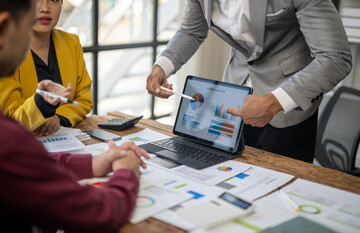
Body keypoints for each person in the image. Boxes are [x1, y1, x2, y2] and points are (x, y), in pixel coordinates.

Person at [0, 1, 150, 233]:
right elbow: (97, 214)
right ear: (7, 26)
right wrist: (126, 174)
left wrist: (92, 164)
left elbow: (29, 165)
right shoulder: (10, 139)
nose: (45, 8)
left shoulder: (68, 42)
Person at [146, 0, 352, 163]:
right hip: (234, 98)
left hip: (287, 105)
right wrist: (162, 66)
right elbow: (191, 31)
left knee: (280, 194)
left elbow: (336, 57)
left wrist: (274, 101)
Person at [0, 0, 93, 137]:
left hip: (67, 140)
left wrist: (59, 117)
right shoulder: (7, 51)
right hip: (23, 145)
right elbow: (11, 118)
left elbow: (84, 101)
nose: (45, 8)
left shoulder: (72, 42)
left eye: (54, 0)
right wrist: (41, 105)